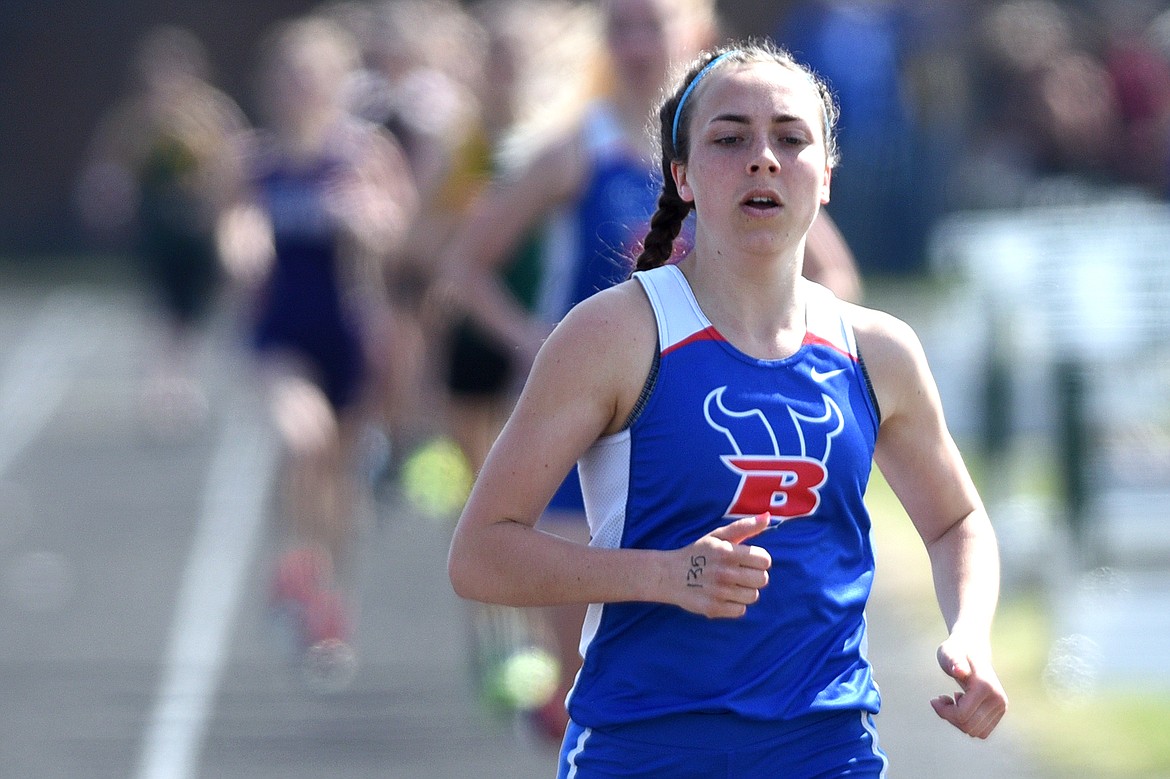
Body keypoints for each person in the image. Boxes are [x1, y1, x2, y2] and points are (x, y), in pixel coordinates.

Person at [448, 39, 1007, 777]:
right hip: (644, 752)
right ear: (681, 175)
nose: (763, 158)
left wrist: (971, 632)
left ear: (827, 176)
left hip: (829, 752)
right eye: (730, 137)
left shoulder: (877, 350)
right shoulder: (614, 334)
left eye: (790, 138)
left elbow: (956, 521)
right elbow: (481, 553)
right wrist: (663, 575)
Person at [437, 0, 862, 742]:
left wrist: (776, 352)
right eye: (621, 27)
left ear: (696, 35)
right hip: (589, 427)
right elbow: (466, 264)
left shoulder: (736, 156)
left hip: (696, 433)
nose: (636, 44)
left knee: (720, 652)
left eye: (652, 25)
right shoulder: (580, 151)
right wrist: (531, 338)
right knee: (584, 673)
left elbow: (836, 279)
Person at [227, 14, 418, 683]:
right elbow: (235, 222)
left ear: (339, 83)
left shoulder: (364, 155)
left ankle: (328, 599)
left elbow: (398, 231)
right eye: (289, 77)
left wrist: (365, 219)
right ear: (270, 85)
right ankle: (296, 566)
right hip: (282, 333)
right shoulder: (257, 159)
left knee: (340, 479)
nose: (300, 89)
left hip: (352, 335)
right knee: (302, 438)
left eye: (313, 77)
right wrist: (242, 246)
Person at [76, 25, 250, 436]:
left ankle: (180, 379)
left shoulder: (211, 113)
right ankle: (165, 386)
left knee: (192, 308)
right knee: (162, 307)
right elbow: (106, 170)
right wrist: (108, 201)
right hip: (157, 228)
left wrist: (220, 206)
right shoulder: (134, 118)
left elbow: (240, 159)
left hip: (198, 227)